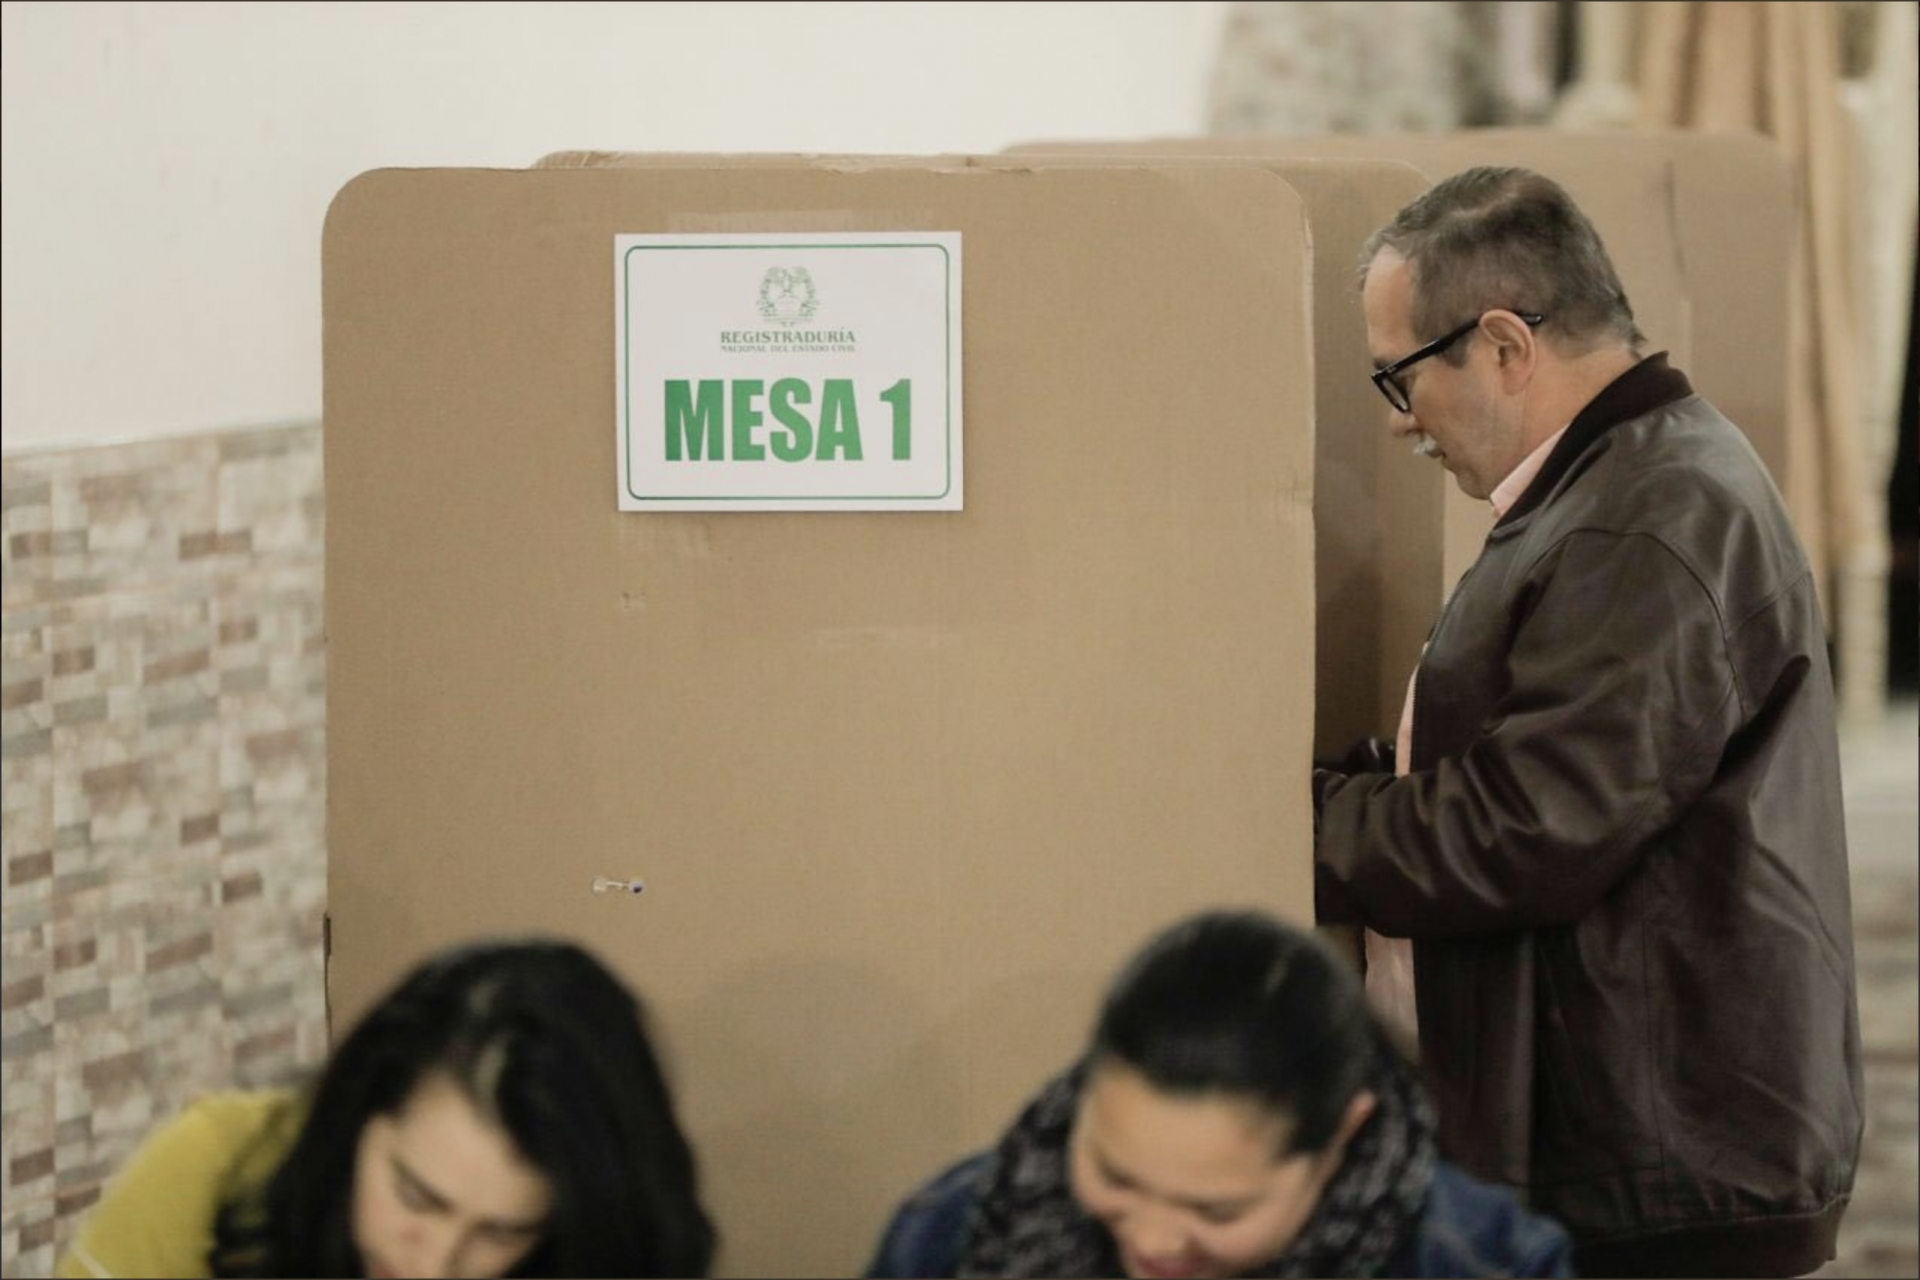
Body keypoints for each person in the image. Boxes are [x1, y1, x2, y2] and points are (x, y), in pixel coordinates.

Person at [1313, 166, 1864, 1276]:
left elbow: (1529, 827)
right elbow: (1546, 757)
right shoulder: (1622, 487)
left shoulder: (1645, 520)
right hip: (1655, 1140)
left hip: (1662, 1173)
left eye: (1400, 375)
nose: (1398, 420)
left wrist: (1298, 820)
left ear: (1505, 345)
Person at [867, 910, 1572, 1279]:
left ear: (1340, 1140)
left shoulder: (1483, 1261)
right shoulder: (949, 1233)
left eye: (1216, 1210)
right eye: (1115, 1176)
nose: (1152, 1240)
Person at [57, 938, 716, 1278]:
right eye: (415, 1197)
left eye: (500, 1233)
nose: (436, 1264)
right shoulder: (219, 1167)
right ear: (356, 1115)